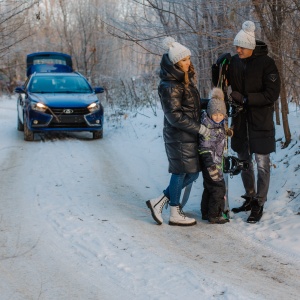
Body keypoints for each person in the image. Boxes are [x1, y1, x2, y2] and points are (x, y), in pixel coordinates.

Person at [212, 21, 281, 223]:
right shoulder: (235, 62)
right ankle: (250, 197)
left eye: (241, 47)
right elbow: (219, 84)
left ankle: (259, 203)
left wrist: (246, 99)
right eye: (236, 46)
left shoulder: (267, 63)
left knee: (262, 164)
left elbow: (272, 93)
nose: (237, 49)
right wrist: (218, 67)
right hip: (241, 121)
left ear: (251, 47)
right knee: (243, 163)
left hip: (260, 121)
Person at [146, 37, 211, 226]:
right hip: (179, 135)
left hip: (187, 135)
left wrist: (214, 103)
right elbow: (174, 116)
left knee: (191, 173)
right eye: (184, 60)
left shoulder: (183, 80)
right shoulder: (169, 85)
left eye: (188, 58)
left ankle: (159, 202)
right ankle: (174, 212)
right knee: (182, 172)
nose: (188, 62)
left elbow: (192, 105)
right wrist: (199, 128)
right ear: (175, 62)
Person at [199, 87, 231, 224]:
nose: (218, 117)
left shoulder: (219, 125)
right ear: (209, 114)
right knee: (219, 188)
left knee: (209, 187)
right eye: (215, 115)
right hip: (210, 162)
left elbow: (219, 136)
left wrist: (227, 132)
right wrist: (210, 164)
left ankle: (206, 212)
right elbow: (205, 146)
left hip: (215, 161)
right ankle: (215, 215)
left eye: (221, 114)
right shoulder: (207, 127)